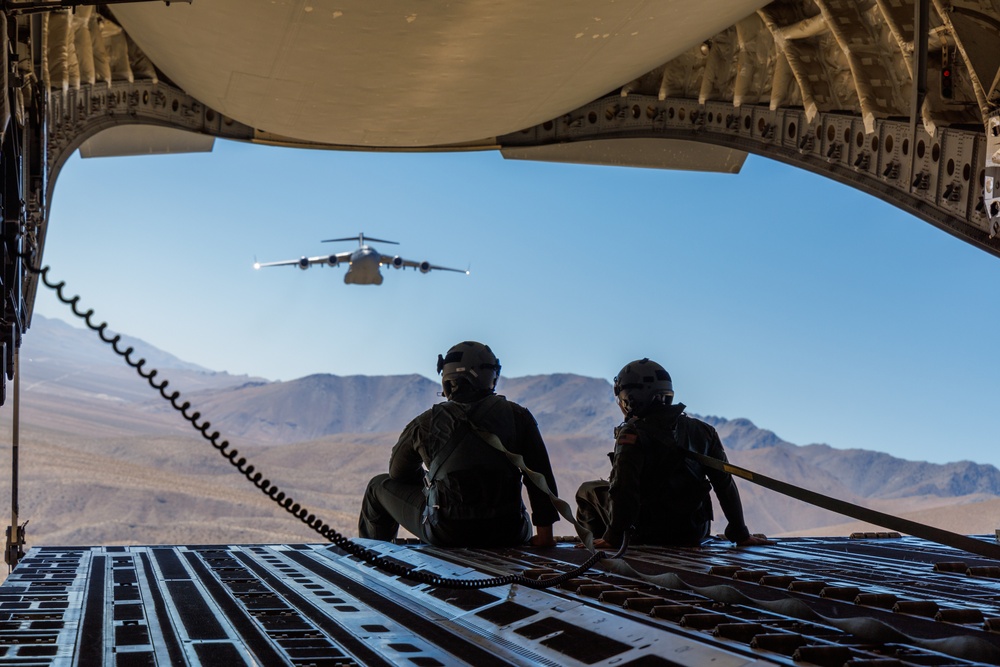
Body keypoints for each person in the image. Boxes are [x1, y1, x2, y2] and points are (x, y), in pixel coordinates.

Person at [358, 341, 559, 548]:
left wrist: (433, 484)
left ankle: (371, 558)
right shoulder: (518, 416)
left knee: (377, 485)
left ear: (446, 378)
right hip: (509, 531)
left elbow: (398, 473)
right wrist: (545, 536)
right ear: (490, 375)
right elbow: (540, 478)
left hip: (446, 532)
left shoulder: (426, 423)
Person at [576, 358, 773, 549]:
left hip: (646, 531)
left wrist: (614, 536)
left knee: (587, 491)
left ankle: (602, 548)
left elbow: (623, 488)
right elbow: (724, 483)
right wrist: (741, 533)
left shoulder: (631, 433)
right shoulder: (704, 431)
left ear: (630, 398)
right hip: (694, 531)